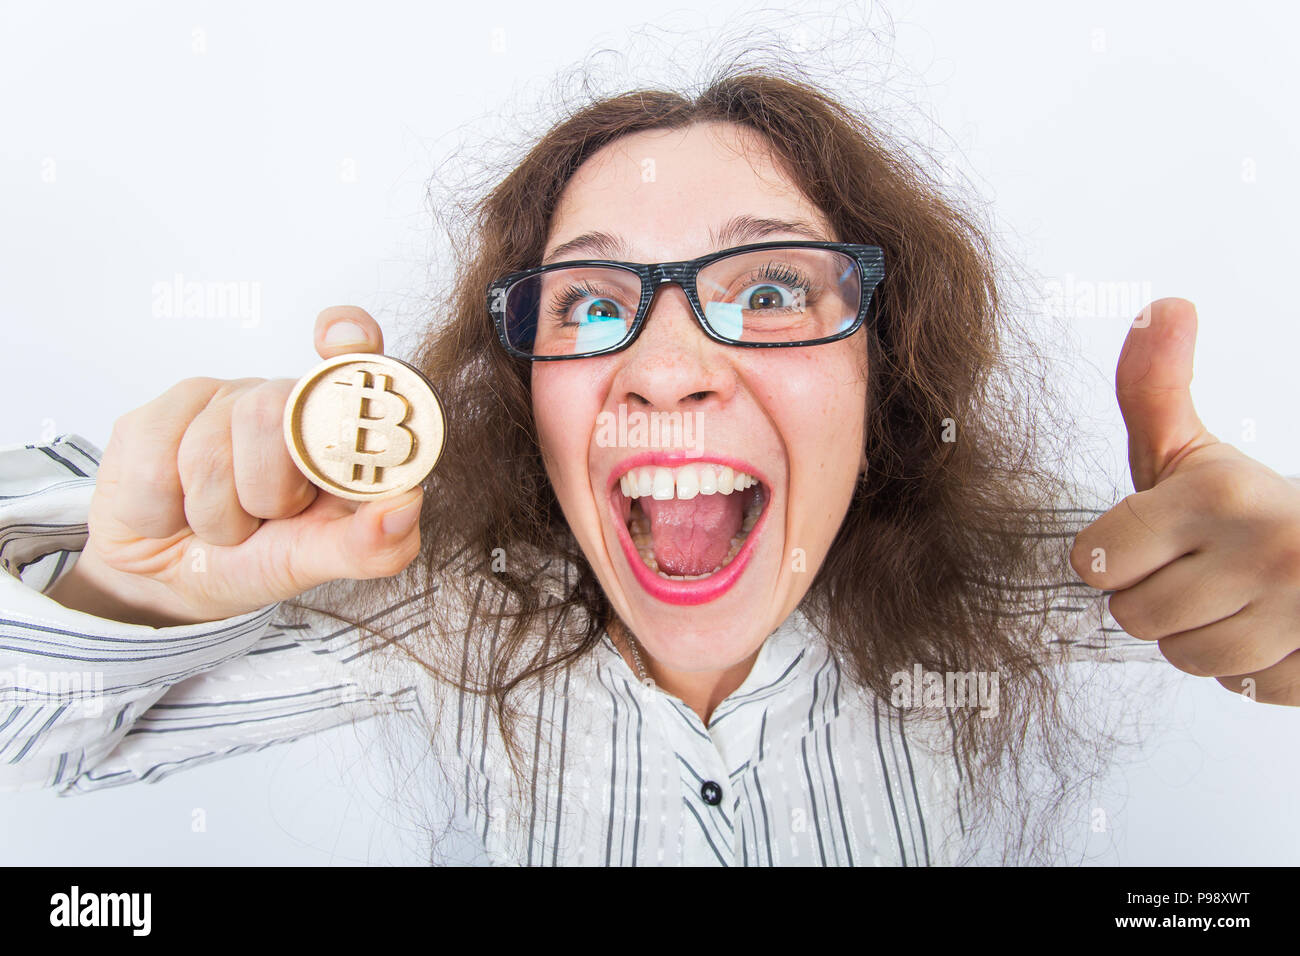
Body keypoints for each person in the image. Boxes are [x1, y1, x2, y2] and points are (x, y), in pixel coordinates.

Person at [3, 68, 1299, 867]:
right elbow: (39, 740)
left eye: (776, 284)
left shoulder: (1001, 575)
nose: (666, 367)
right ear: (527, 397)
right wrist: (137, 591)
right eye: (589, 302)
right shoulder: (439, 606)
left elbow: (1235, 583)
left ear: (881, 372)